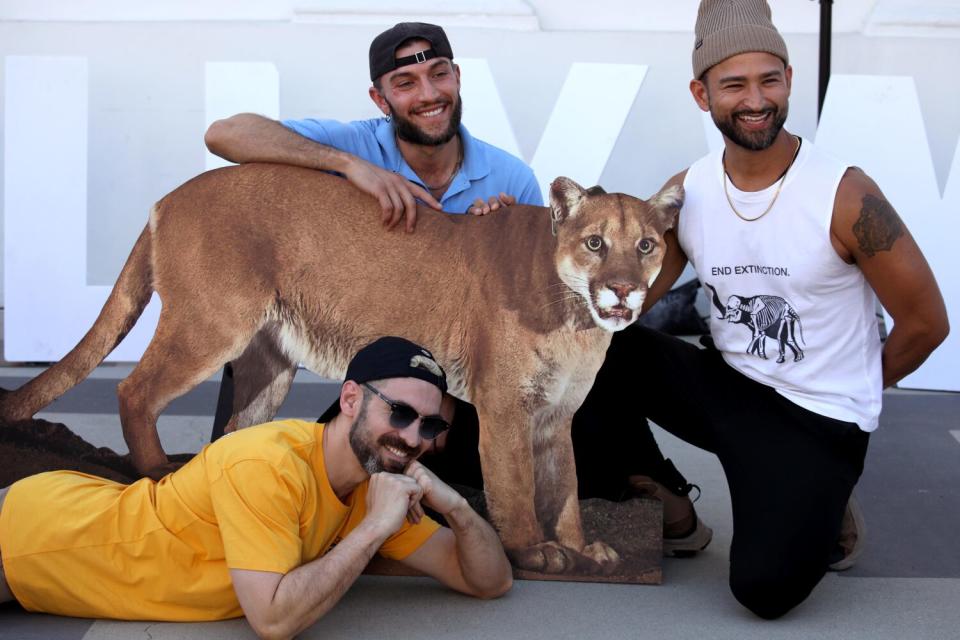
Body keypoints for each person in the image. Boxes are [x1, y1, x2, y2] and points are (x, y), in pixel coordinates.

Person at [205, 21, 715, 556]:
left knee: (583, 362)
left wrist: (504, 233)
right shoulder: (356, 142)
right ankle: (221, 480)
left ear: (457, 78)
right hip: (391, 375)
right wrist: (350, 167)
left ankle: (642, 482)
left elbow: (534, 305)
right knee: (295, 408)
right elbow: (225, 134)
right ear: (380, 98)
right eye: (405, 82)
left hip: (473, 376)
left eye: (438, 74)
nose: (427, 94)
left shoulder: (508, 176)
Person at [572, 0, 949, 619]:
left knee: (763, 592)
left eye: (769, 79)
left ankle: (823, 497)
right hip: (730, 391)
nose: (756, 99)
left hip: (817, 419)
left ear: (789, 81)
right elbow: (626, 301)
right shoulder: (687, 192)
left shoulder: (846, 195)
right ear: (702, 94)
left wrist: (859, 391)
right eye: (735, 84)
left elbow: (927, 322)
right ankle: (664, 496)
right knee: (593, 345)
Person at [0, 337, 512, 638]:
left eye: (430, 426)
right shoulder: (268, 465)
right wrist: (375, 529)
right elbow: (272, 620)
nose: (411, 437)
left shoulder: (377, 480)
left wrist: (457, 510)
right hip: (32, 539)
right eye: (399, 413)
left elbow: (490, 582)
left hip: (76, 521)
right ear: (351, 399)